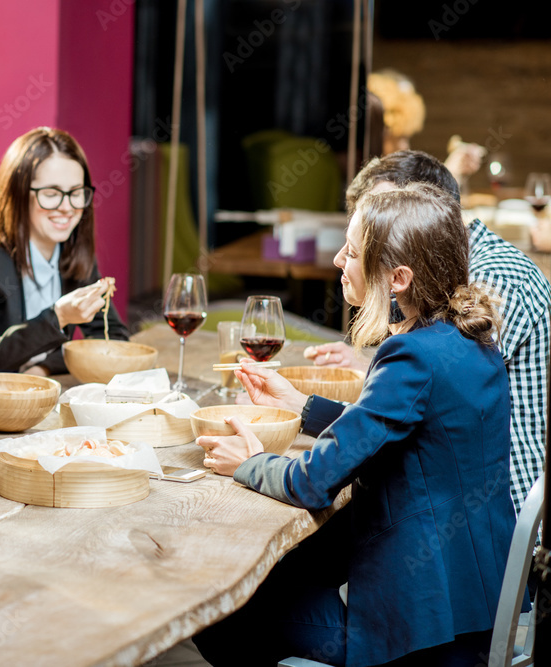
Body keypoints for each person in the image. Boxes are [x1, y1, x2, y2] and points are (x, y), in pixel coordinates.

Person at [194, 184, 515, 666]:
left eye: (354, 251)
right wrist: (303, 406)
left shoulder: (409, 355)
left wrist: (250, 462)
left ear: (399, 277)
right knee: (290, 571)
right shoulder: (469, 338)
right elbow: (409, 433)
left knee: (220, 610)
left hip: (423, 631)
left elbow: (311, 481)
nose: (340, 260)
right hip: (474, 607)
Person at [302, 150, 550, 515]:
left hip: (493, 522)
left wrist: (294, 421)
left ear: (420, 213)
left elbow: (414, 401)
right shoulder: (442, 281)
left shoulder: (497, 277)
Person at [0, 127, 128, 402]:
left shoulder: (74, 256)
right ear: (18, 194)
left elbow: (114, 343)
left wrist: (45, 365)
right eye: (51, 193)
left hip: (40, 409)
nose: (67, 207)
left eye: (76, 192)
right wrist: (57, 318)